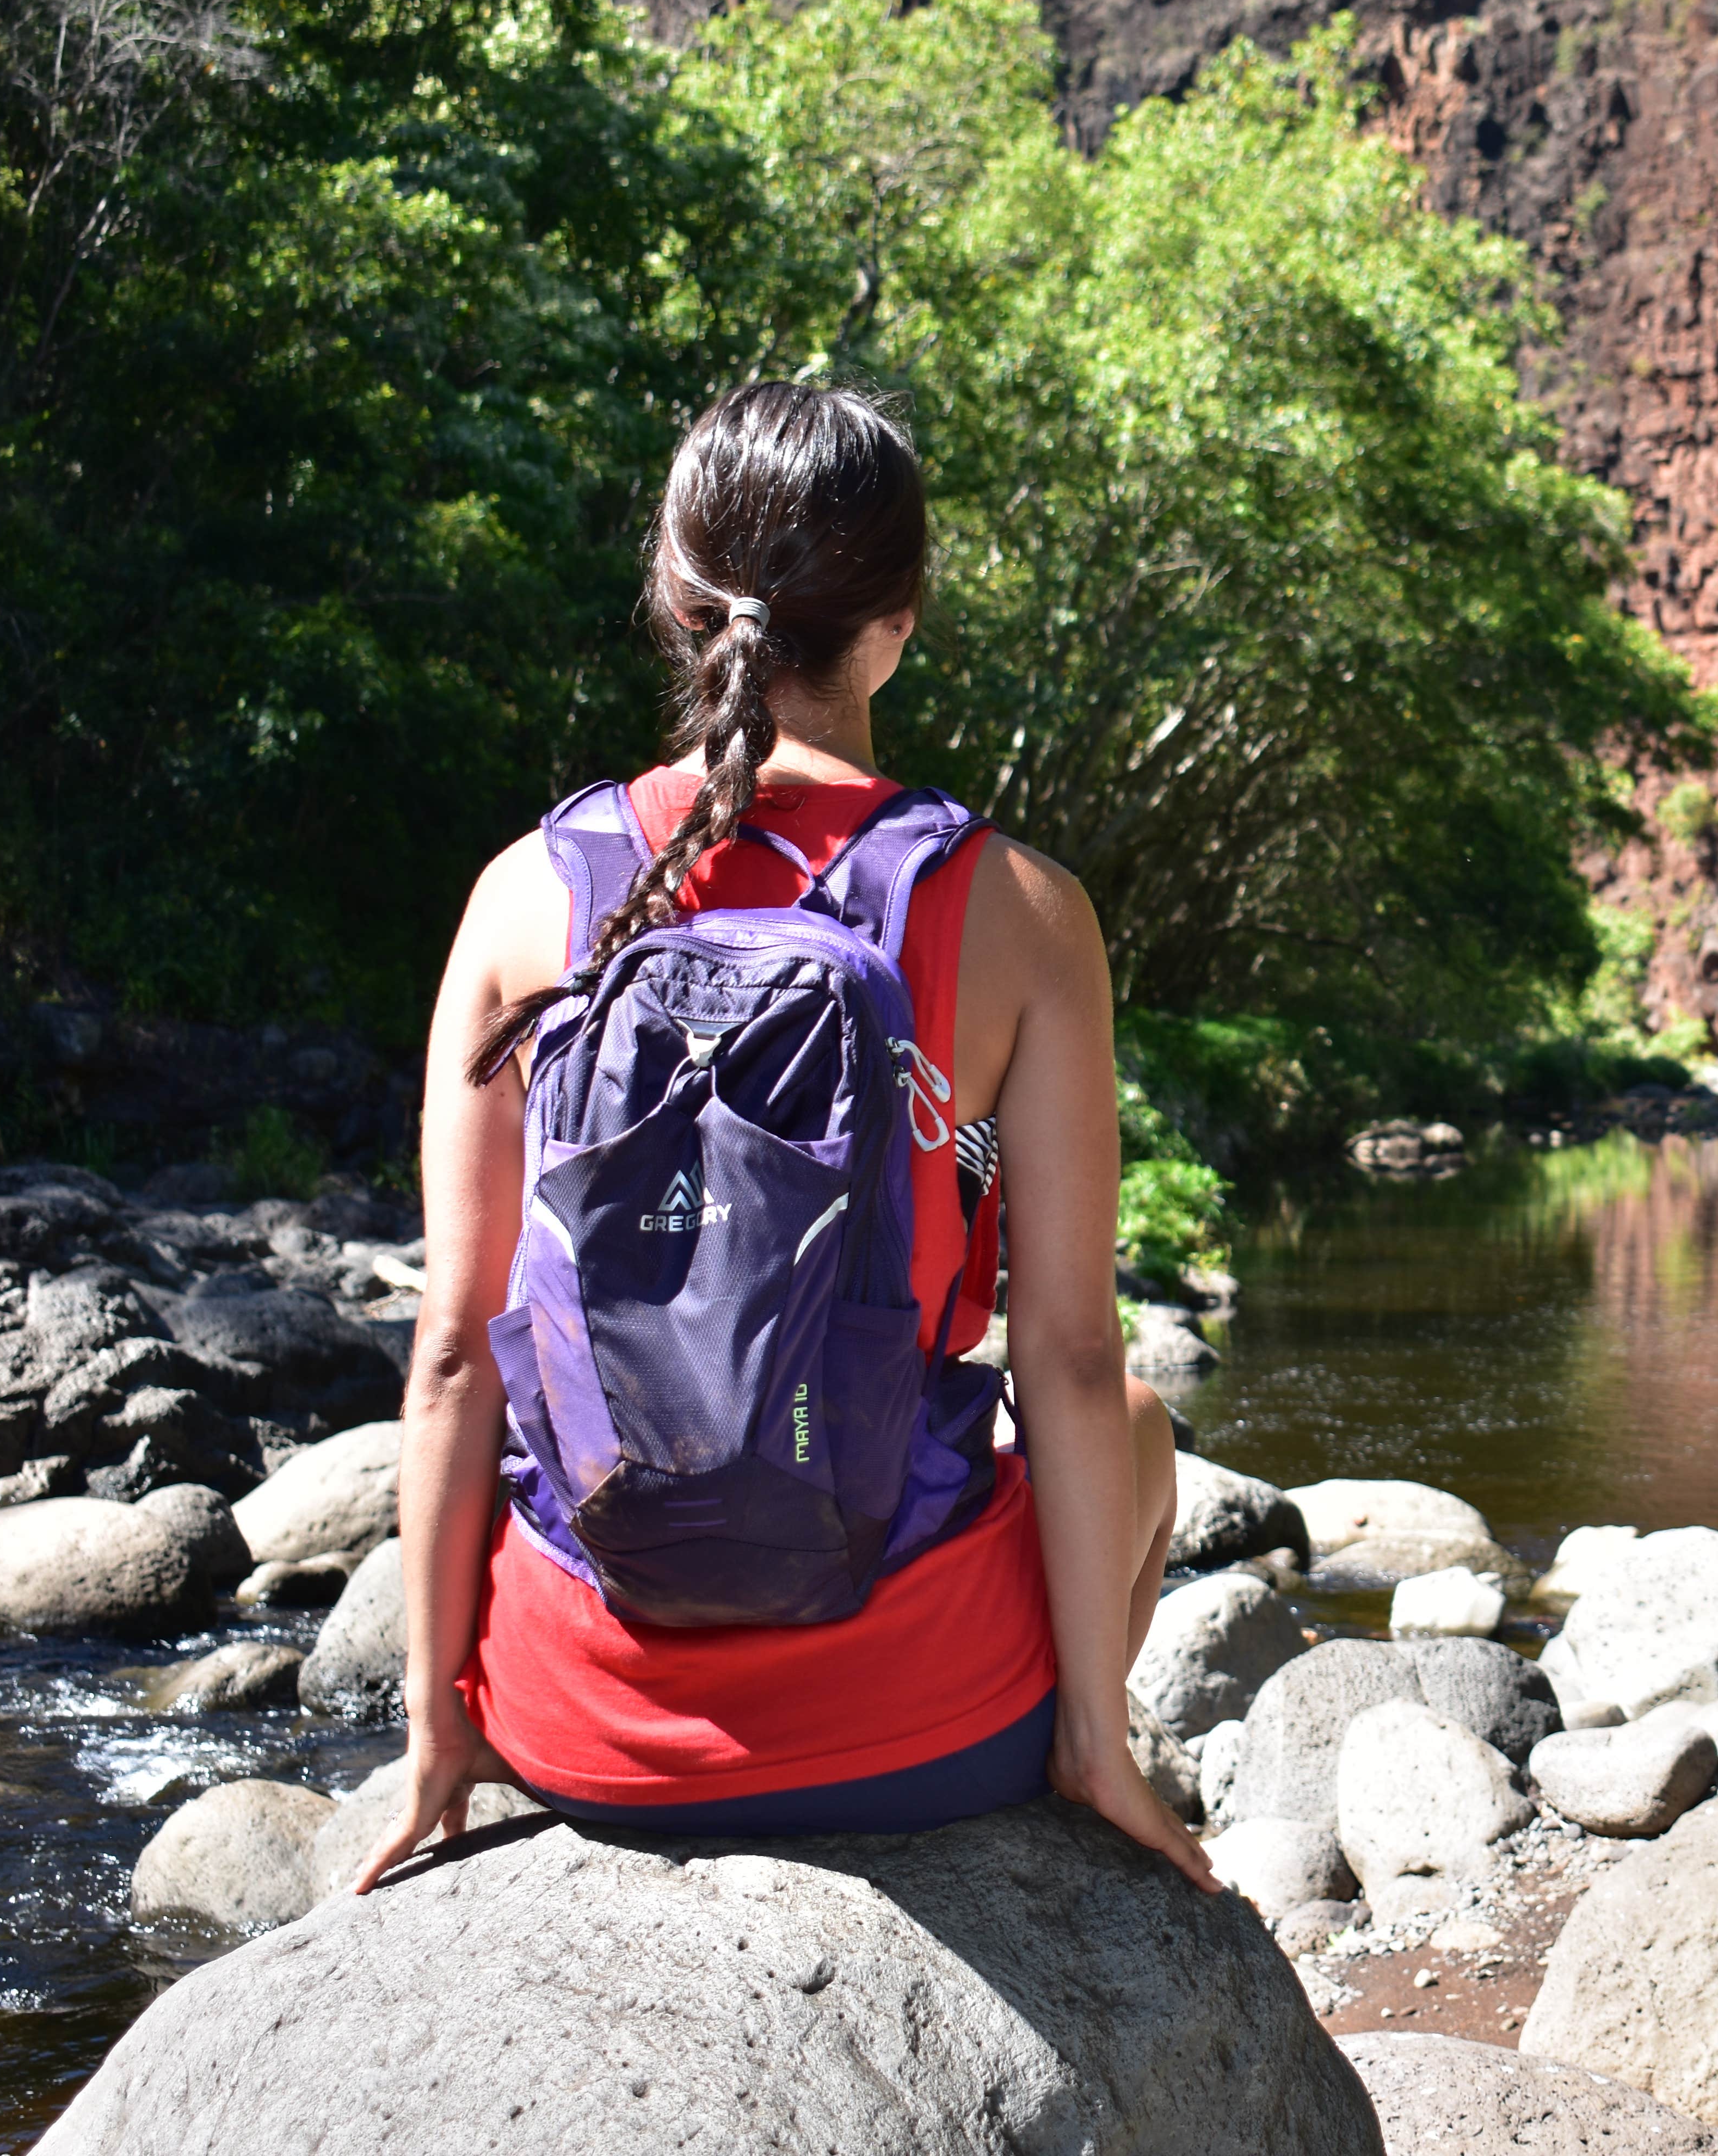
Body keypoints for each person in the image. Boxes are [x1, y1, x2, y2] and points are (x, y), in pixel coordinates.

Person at [350, 380, 1213, 1892]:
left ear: (675, 599)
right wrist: (1093, 1729)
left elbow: (452, 1356)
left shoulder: (525, 893)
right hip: (922, 1725)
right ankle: (1087, 1749)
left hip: (581, 1731)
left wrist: (438, 1730)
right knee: (1136, 1413)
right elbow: (1068, 1360)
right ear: (899, 624)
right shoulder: (1021, 912)